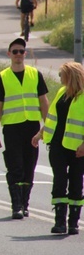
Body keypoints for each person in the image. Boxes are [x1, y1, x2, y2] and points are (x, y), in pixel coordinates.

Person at [0, 37, 49, 219]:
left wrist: (46, 126)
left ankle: (25, 203)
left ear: (25, 54)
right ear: (9, 54)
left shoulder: (35, 74)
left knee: (29, 167)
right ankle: (16, 205)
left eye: (21, 52)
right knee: (15, 167)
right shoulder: (2, 77)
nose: (18, 55)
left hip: (32, 126)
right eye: (15, 52)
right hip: (12, 128)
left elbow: (43, 102)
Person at [33, 62, 84, 234]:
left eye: (61, 74)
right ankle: (60, 221)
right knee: (59, 181)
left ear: (70, 75)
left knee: (76, 182)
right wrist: (40, 134)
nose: (59, 77)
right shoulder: (61, 93)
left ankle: (73, 222)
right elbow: (52, 118)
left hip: (77, 148)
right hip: (57, 145)